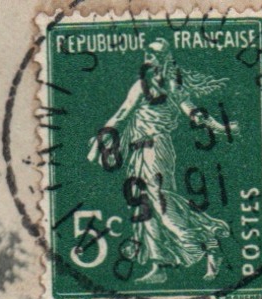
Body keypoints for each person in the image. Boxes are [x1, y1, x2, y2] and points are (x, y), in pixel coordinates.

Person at [87, 38, 233, 281]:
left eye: (154, 54)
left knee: (161, 203)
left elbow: (191, 111)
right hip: (137, 152)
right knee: (143, 208)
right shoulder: (144, 86)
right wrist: (104, 136)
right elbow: (123, 114)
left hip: (156, 150)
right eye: (147, 53)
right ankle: (160, 266)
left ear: (164, 58)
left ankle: (207, 240)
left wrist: (217, 126)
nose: (149, 58)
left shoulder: (168, 86)